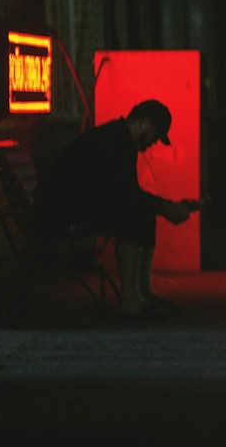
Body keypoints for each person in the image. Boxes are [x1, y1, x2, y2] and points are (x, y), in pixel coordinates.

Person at [34, 99, 199, 317]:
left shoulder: (116, 137)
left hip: (64, 206)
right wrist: (164, 208)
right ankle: (132, 300)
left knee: (140, 212)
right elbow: (125, 194)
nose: (153, 143)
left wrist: (163, 206)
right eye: (155, 135)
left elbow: (124, 192)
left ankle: (140, 293)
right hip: (59, 214)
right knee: (133, 216)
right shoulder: (116, 142)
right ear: (144, 124)